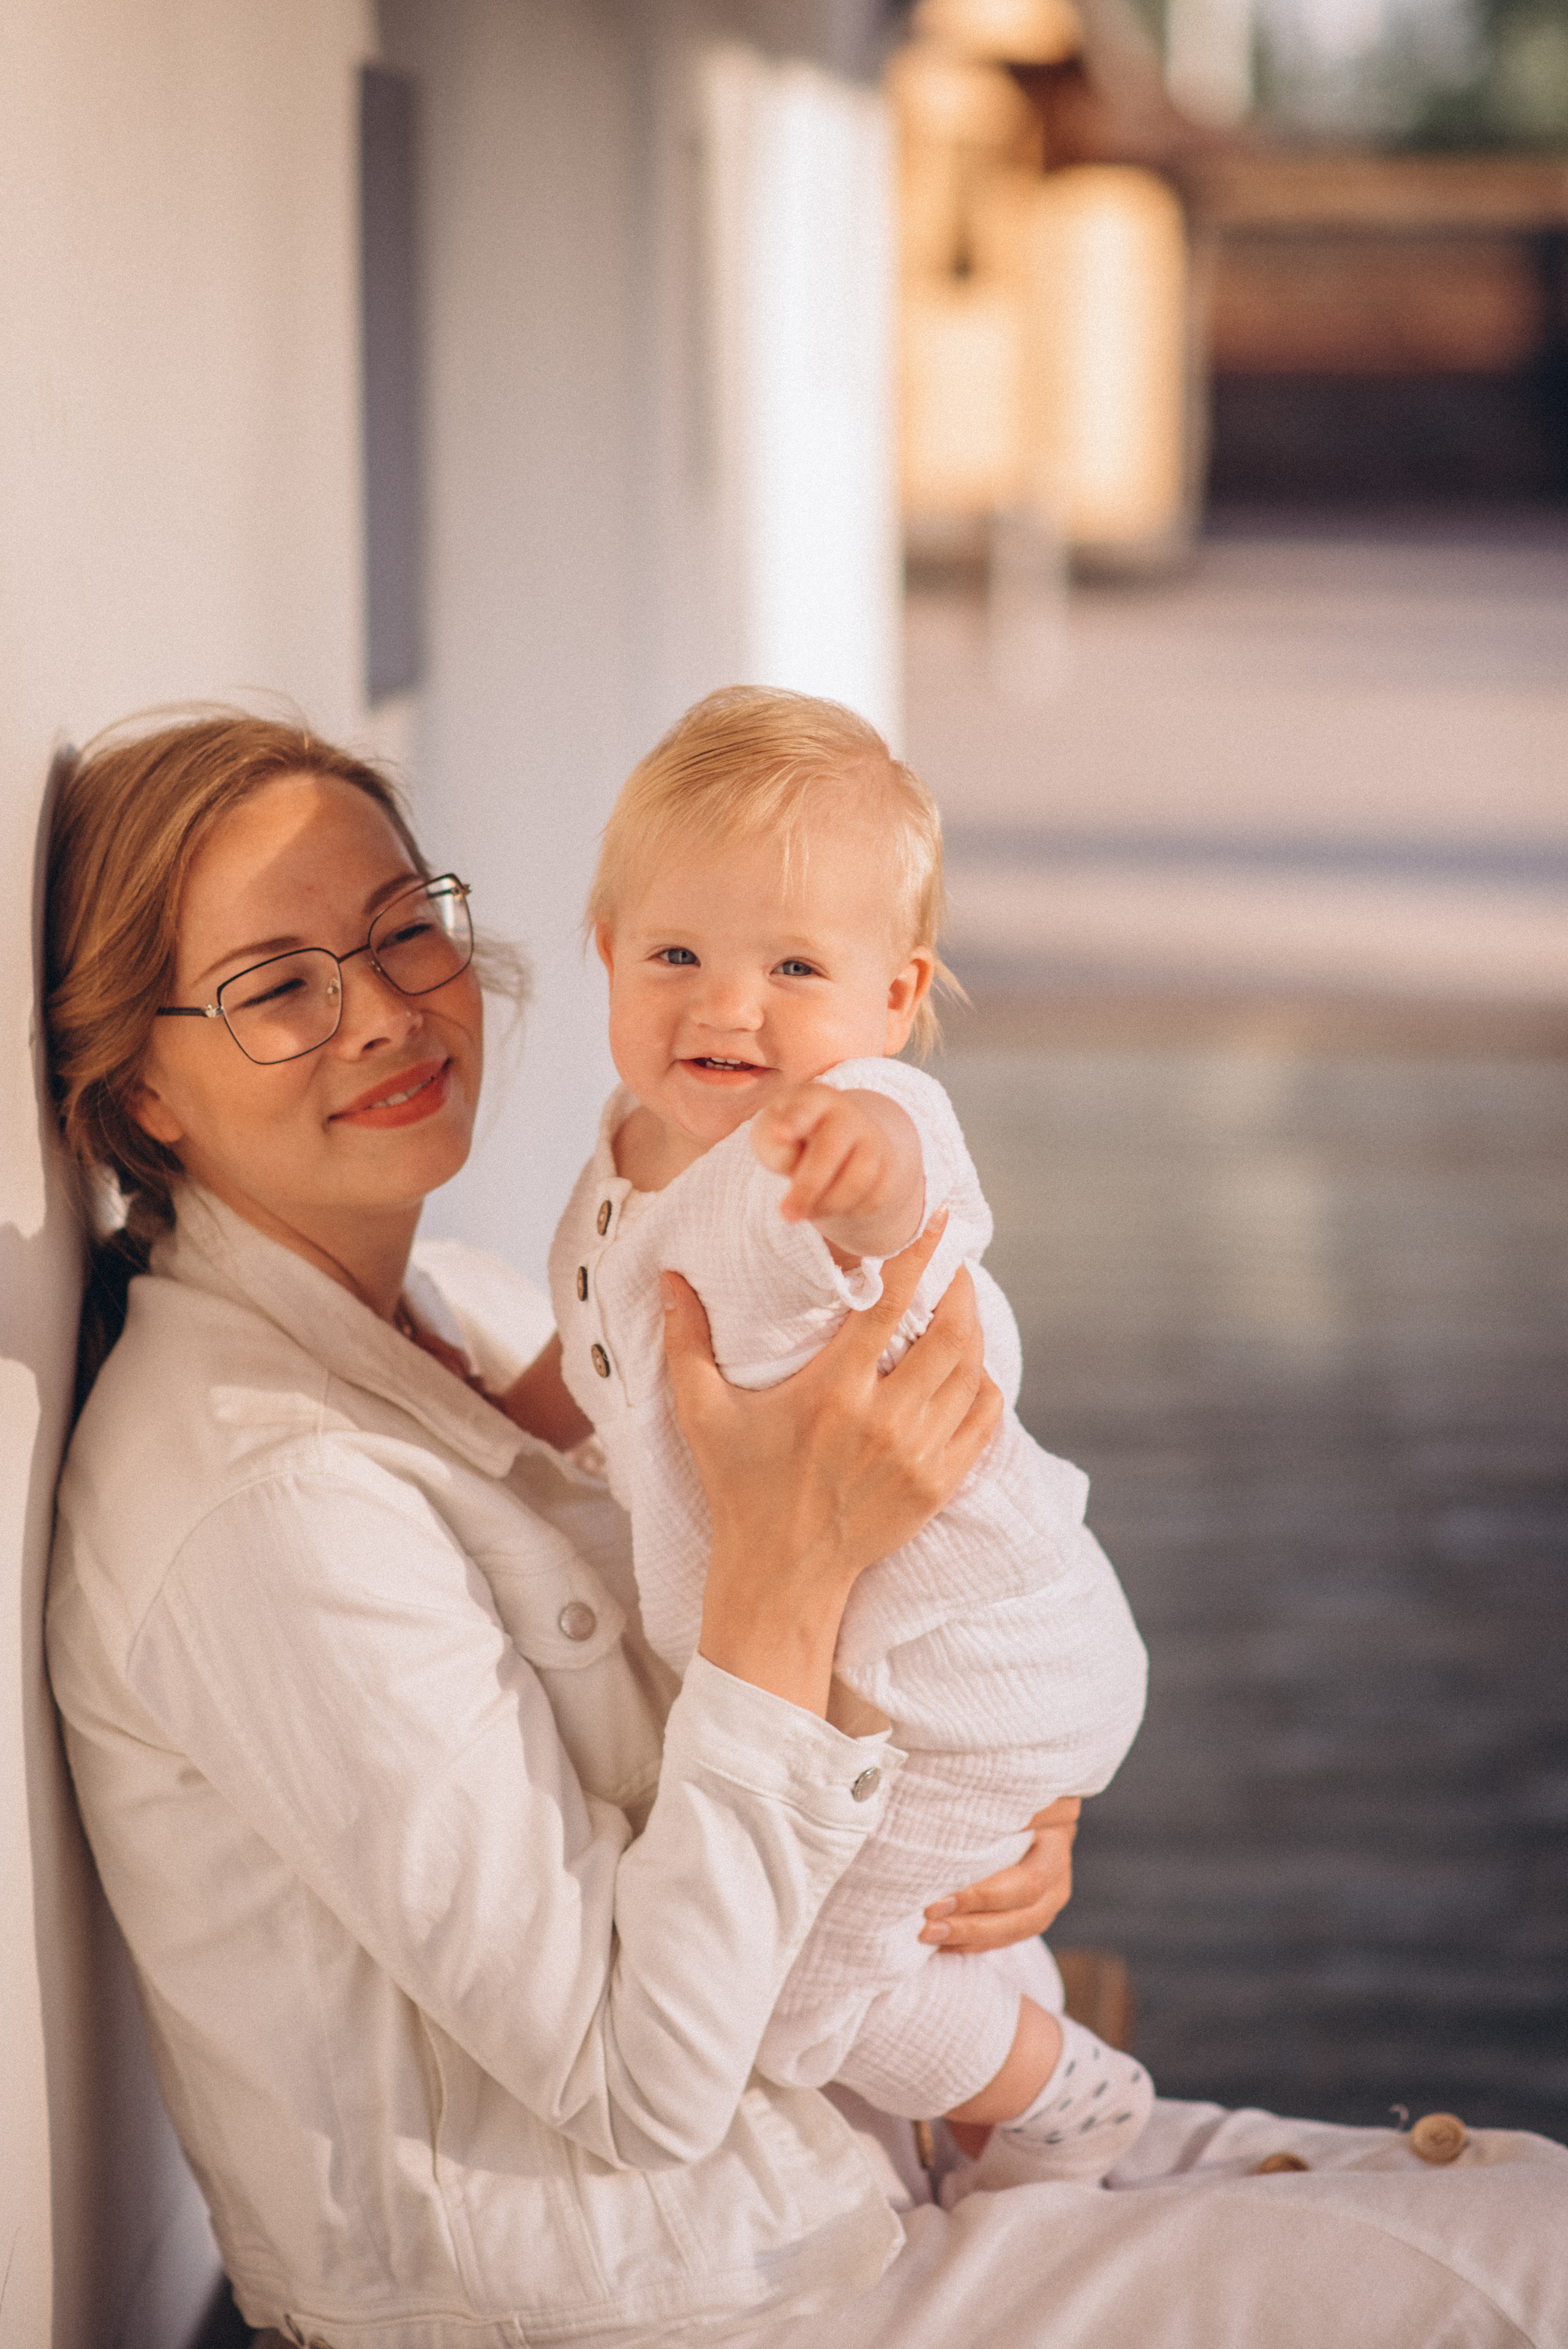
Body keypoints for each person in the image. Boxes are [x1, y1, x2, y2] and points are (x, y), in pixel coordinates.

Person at [43, 711, 1568, 2349]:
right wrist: (796, 1557)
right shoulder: (254, 1502)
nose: (392, 1010)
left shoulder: (480, 1317)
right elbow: (640, 2081)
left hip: (871, 2171)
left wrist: (980, 1814)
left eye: (406, 927)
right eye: (281, 986)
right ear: (140, 1083)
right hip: (724, 2302)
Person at [544, 686, 1151, 2188]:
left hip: (960, 1674)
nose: (725, 1007)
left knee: (803, 1994)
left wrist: (853, 1165)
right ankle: (1008, 2031)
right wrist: (482, 1400)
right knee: (894, 1919)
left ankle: (1065, 2098)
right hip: (885, 1670)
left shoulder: (821, 1143)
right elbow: (605, 1348)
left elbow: (903, 1182)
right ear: (604, 951)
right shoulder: (632, 1148)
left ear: (895, 999)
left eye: (794, 968)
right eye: (675, 953)